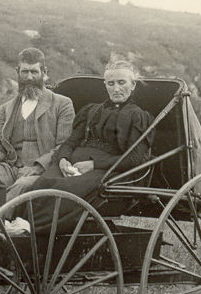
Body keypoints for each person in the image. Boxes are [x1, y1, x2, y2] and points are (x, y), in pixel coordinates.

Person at [25, 57, 153, 206]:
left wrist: (94, 164)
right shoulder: (92, 110)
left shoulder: (138, 117)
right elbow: (71, 142)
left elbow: (134, 158)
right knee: (42, 185)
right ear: (105, 85)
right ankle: (22, 219)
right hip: (71, 164)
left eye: (121, 82)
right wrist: (63, 160)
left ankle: (36, 221)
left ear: (133, 85)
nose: (116, 89)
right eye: (111, 83)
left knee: (64, 192)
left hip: (109, 171)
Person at [0, 47, 74, 201]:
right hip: (10, 170)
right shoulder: (6, 109)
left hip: (42, 172)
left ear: (44, 72)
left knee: (22, 185)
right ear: (17, 71)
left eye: (34, 72)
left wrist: (38, 167)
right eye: (25, 72)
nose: (29, 77)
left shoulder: (62, 104)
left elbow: (64, 146)